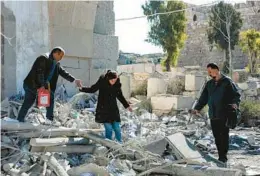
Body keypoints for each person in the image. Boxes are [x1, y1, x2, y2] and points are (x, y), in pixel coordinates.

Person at [191, 63, 241, 163]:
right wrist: (197, 108)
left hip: (224, 113)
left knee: (224, 135)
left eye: (210, 71)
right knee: (217, 136)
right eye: (208, 72)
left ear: (216, 70)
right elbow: (203, 98)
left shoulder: (227, 82)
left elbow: (236, 95)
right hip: (213, 114)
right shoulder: (209, 84)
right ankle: (220, 156)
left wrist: (235, 103)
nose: (209, 73)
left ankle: (223, 157)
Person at [17, 47, 82, 123]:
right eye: (60, 56)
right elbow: (39, 73)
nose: (61, 58)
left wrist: (74, 80)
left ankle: (49, 120)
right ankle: (19, 120)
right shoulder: (43, 58)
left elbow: (63, 73)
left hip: (43, 85)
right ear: (55, 53)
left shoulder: (56, 63)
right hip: (32, 84)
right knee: (29, 101)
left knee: (50, 98)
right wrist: (41, 86)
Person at [79, 70, 132, 143]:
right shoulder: (102, 81)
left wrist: (127, 106)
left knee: (117, 127)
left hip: (113, 109)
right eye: (112, 80)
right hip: (103, 109)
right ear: (108, 79)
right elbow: (93, 89)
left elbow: (120, 96)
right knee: (109, 128)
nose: (113, 82)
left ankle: (120, 144)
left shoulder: (117, 84)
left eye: (115, 80)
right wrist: (82, 88)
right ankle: (109, 146)